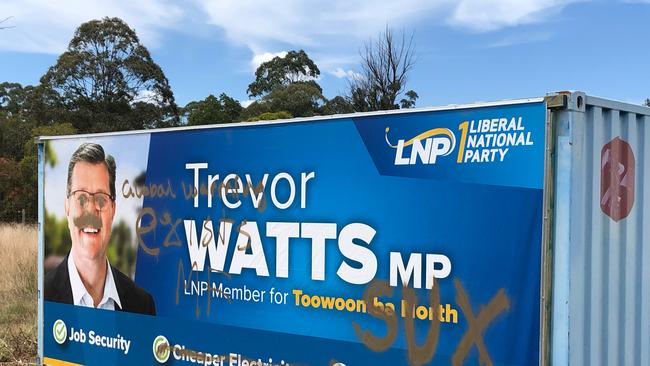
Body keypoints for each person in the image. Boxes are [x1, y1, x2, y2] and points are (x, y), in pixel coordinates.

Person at [45, 143, 156, 315]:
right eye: (81, 197)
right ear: (67, 208)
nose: (91, 210)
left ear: (112, 209)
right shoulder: (42, 299)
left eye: (101, 199)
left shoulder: (142, 305)